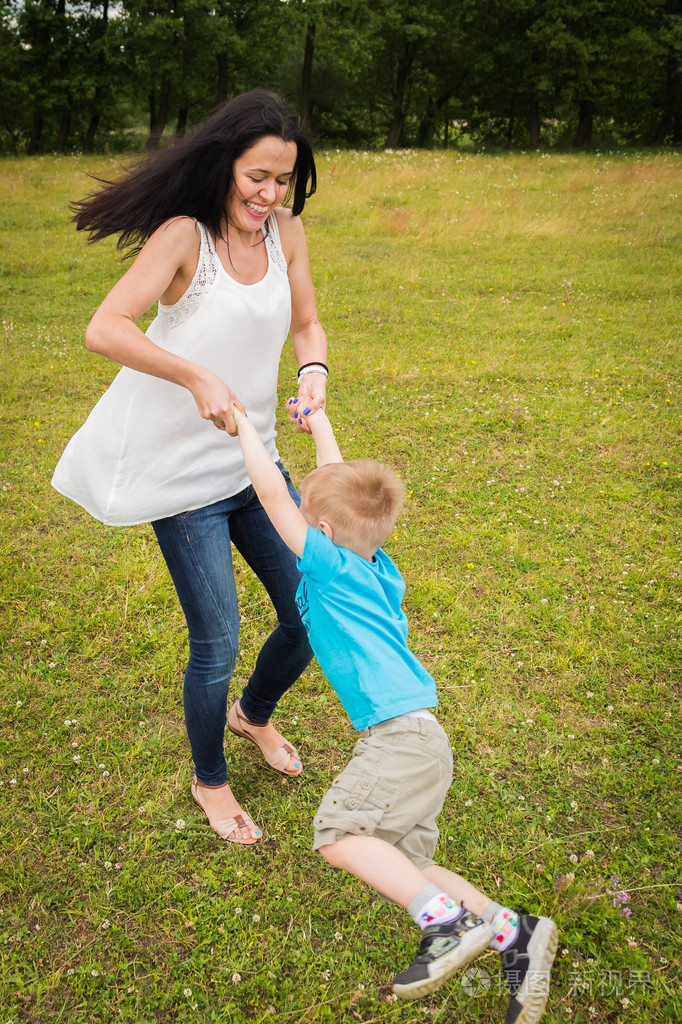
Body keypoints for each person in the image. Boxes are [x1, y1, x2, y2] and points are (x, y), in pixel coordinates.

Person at [51, 90, 330, 846]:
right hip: (183, 479)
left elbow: (306, 324)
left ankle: (252, 716)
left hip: (256, 463)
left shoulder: (287, 234)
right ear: (225, 164)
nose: (268, 194)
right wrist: (195, 376)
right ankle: (210, 780)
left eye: (282, 180)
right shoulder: (186, 238)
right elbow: (105, 327)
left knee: (310, 610)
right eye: (256, 177)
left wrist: (313, 372)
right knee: (218, 641)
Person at [232, 398, 558, 1021]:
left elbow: (273, 495)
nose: (302, 524)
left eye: (310, 521)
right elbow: (336, 488)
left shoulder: (327, 567)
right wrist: (319, 423)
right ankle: (511, 931)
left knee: (340, 835)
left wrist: (245, 426)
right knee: (407, 862)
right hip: (425, 737)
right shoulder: (374, 565)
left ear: (323, 535)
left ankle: (447, 925)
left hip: (397, 739)